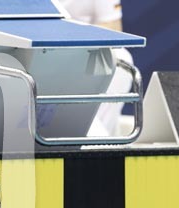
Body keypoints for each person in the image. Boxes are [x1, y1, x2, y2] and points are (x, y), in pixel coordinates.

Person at [57, 0, 134, 137]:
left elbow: (113, 27)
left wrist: (73, 42)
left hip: (84, 53)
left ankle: (98, 142)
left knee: (121, 58)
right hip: (35, 52)